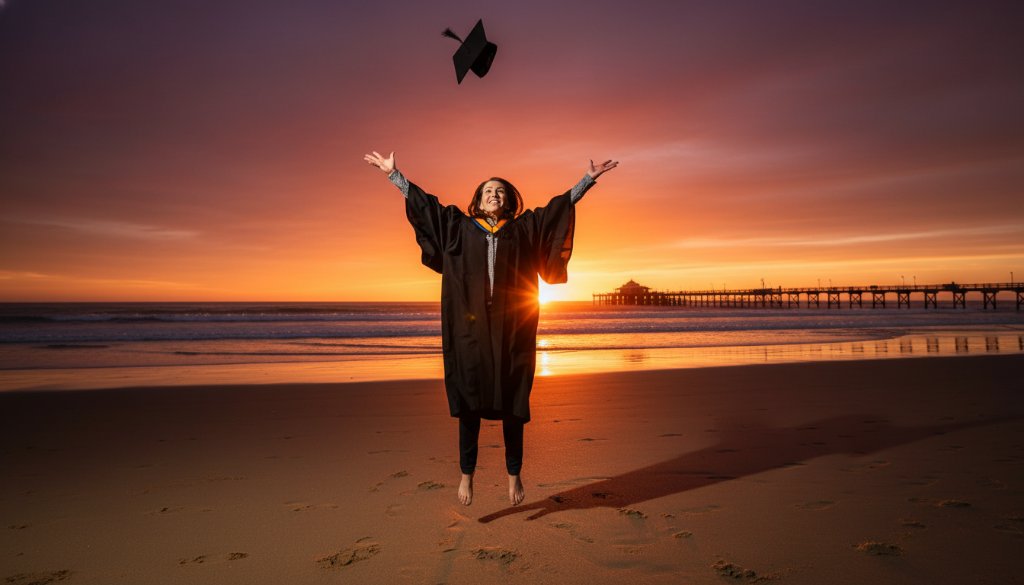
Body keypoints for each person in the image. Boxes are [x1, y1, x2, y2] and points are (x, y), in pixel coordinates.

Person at [363, 150, 618, 506]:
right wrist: (395, 175)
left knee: (514, 402)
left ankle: (514, 475)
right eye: (487, 191)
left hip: (512, 329)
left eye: (500, 191)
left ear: (509, 200)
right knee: (469, 402)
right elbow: (426, 208)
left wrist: (586, 181)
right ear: (478, 200)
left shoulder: (523, 228)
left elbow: (555, 211)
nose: (494, 194)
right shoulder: (458, 226)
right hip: (468, 332)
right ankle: (467, 475)